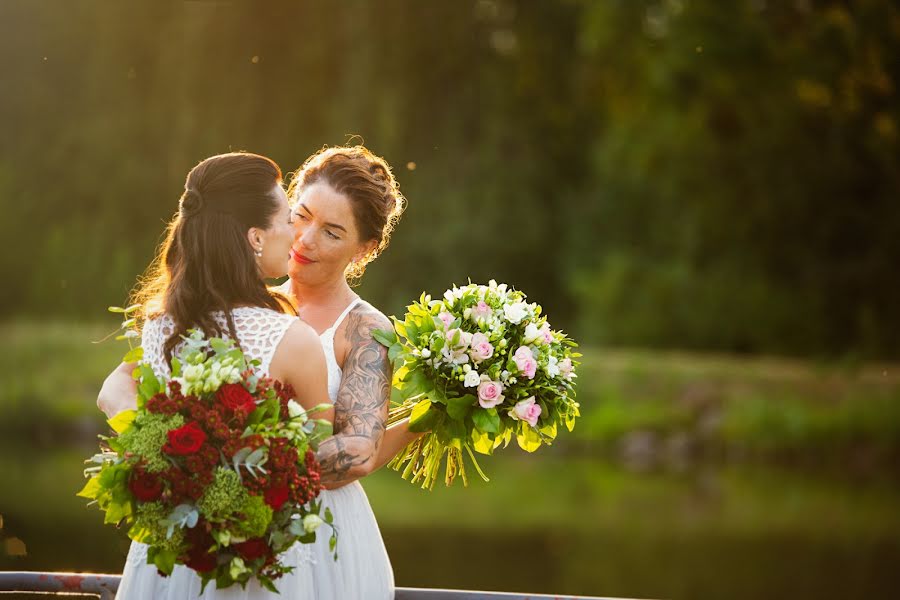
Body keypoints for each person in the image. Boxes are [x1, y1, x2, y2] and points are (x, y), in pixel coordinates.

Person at [98, 145, 422, 599]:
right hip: (201, 520)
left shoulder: (365, 328)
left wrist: (430, 417)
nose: (305, 239)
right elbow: (121, 381)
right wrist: (169, 454)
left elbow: (358, 450)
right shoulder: (224, 294)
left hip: (305, 532)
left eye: (331, 232)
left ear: (364, 249)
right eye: (301, 216)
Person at [108, 152, 337, 599]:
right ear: (255, 236)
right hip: (261, 557)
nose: (295, 231)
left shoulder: (158, 327)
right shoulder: (293, 339)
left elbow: (129, 401)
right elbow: (317, 461)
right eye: (289, 219)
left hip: (173, 551)